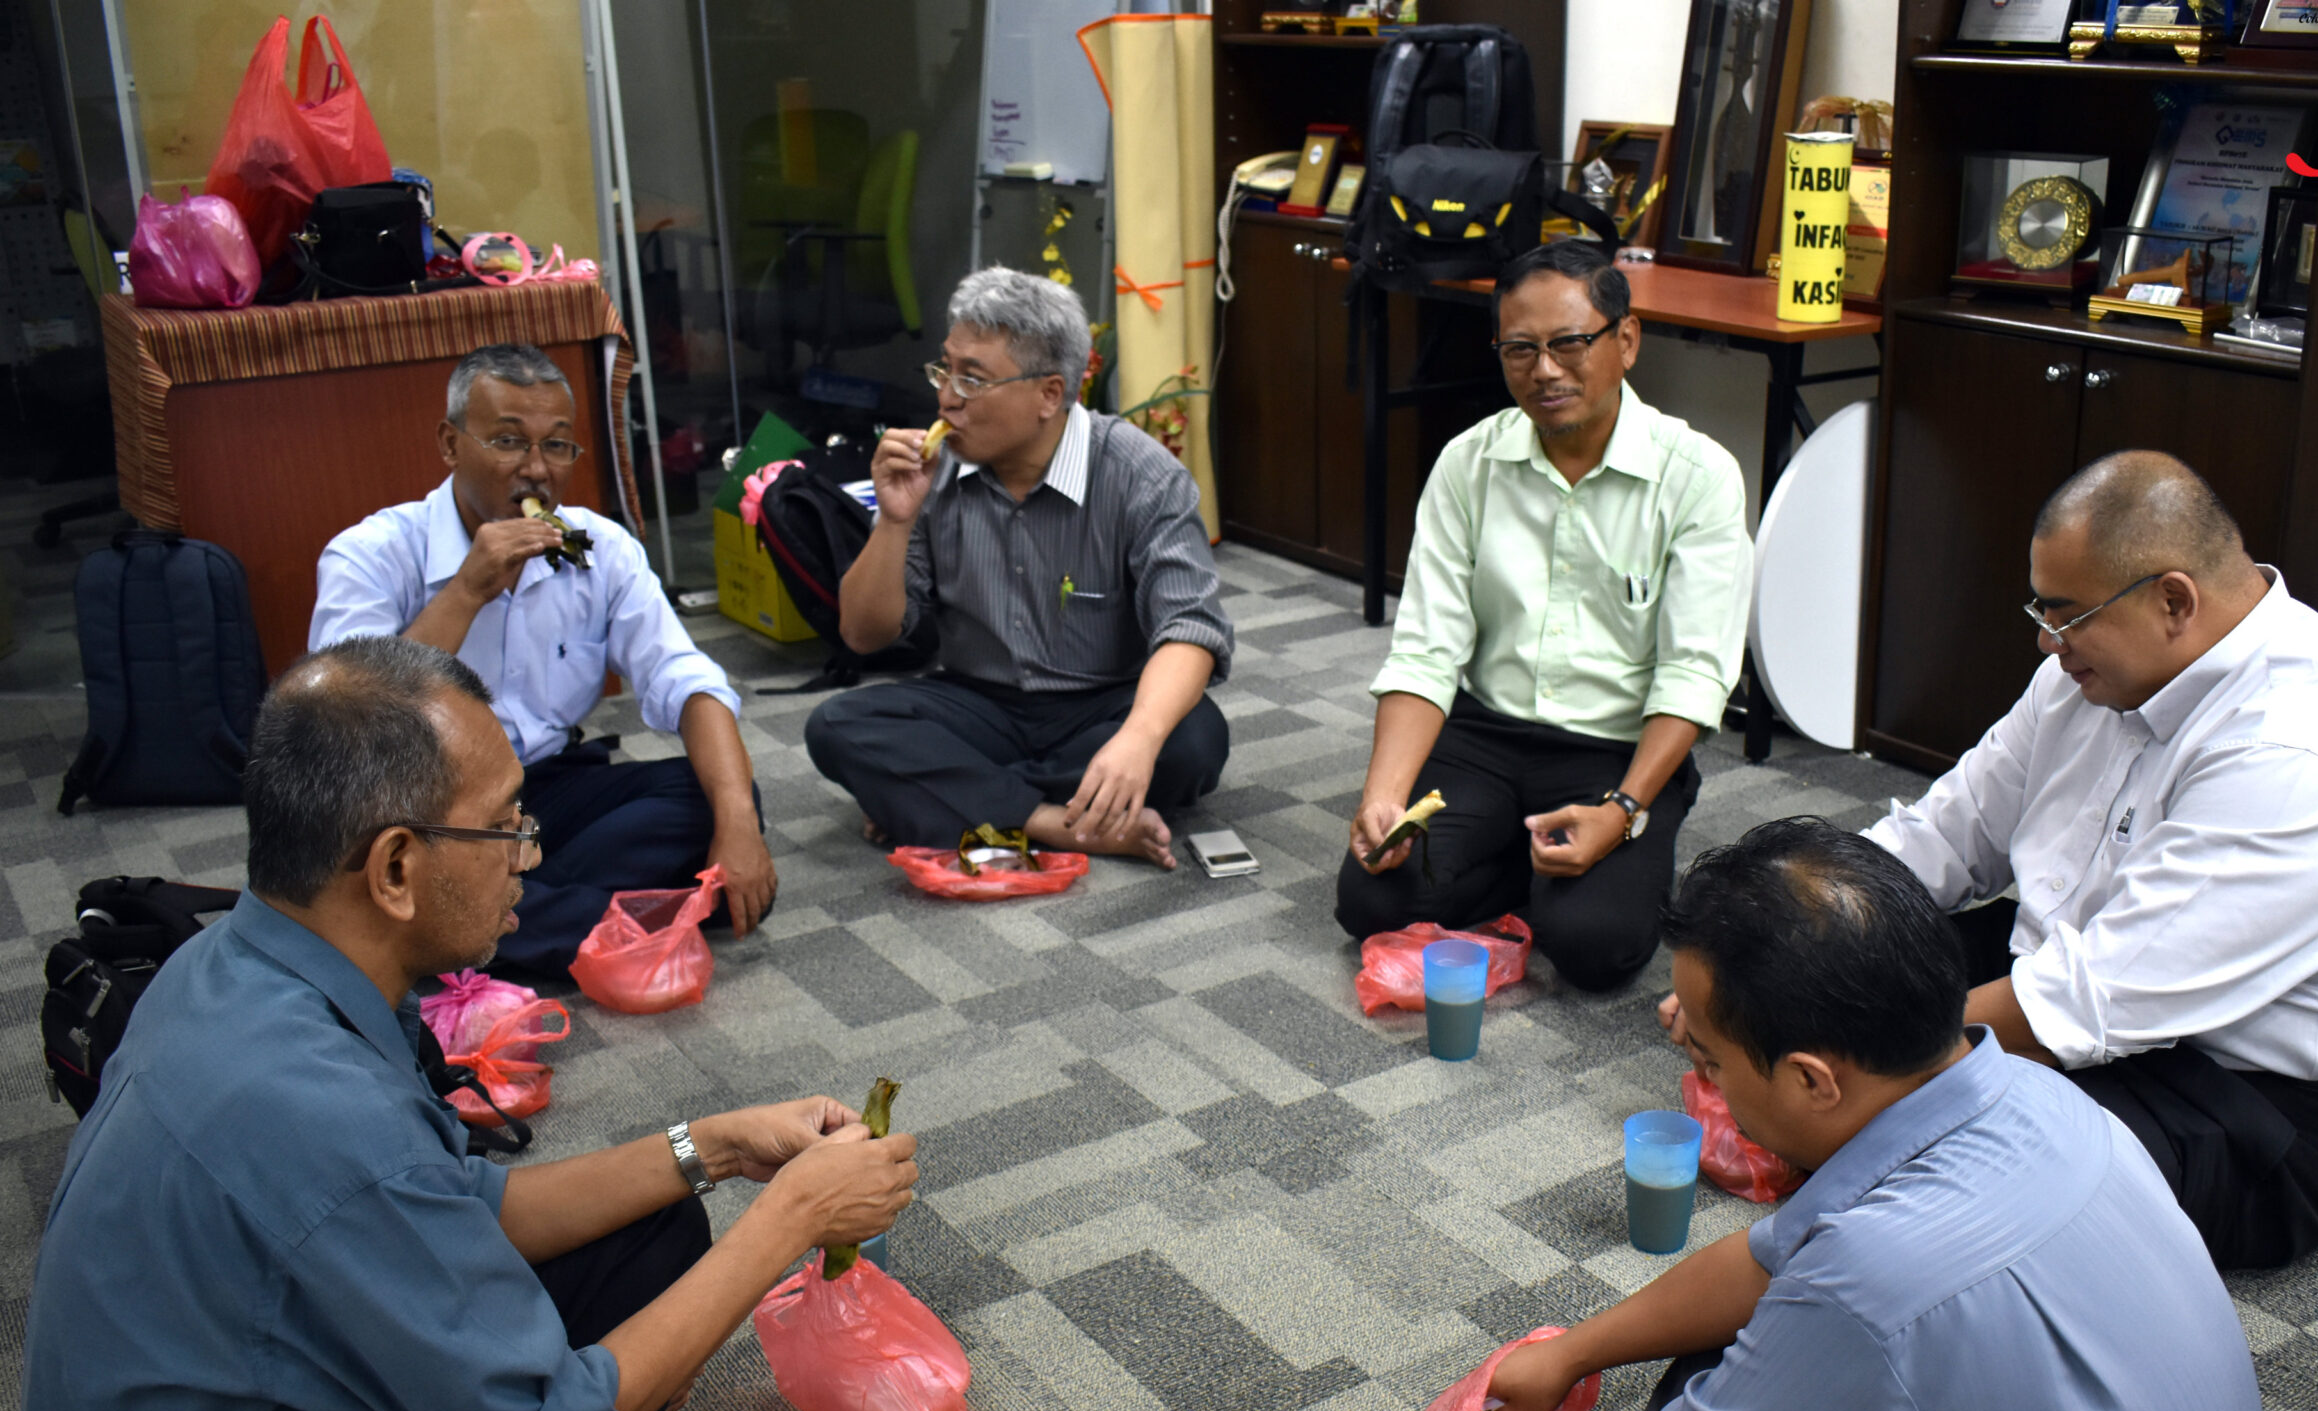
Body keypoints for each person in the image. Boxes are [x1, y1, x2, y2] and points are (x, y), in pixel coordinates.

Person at [19, 636, 919, 1411]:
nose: (528, 856)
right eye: (505, 827)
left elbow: (457, 1204)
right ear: (396, 869)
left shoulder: (243, 963)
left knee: (654, 1221)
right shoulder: (312, 1111)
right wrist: (788, 1220)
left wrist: (714, 1147)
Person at [1385, 818, 2266, 1411]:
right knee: (1723, 1359)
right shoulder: (2031, 1097)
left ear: (1812, 1079)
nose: (1706, 1082)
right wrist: (1574, 1352)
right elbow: (1766, 1265)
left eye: (1709, 1060)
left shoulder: (1878, 1284)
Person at [1861, 449, 2318, 1270]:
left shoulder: (2304, 753)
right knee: (1842, 970)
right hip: (2083, 967)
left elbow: (2089, 998)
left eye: (2066, 616)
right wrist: (1779, 943)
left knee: (1933, 1171)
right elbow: (1945, 834)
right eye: (2042, 609)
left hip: (2250, 1105)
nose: (2046, 641)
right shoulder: (2088, 670)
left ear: (2174, 600)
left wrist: (1873, 1056)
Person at [1334, 240, 1752, 992]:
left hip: (1614, 749)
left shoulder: (1698, 476)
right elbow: (1426, 649)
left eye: (1569, 343)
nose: (1546, 370)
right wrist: (1383, 798)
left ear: (1626, 340)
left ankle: (1605, 847)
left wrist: (1623, 810)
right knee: (1372, 900)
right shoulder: (1468, 463)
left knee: (1597, 945)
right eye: (1520, 349)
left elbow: (1695, 672)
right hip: (1485, 735)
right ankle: (1521, 862)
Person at [312, 343, 778, 978]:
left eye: (556, 445)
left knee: (719, 793)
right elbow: (343, 730)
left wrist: (738, 821)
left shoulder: (599, 546)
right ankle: (598, 919)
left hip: (545, 792)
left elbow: (684, 676)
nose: (535, 469)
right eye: (508, 442)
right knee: (381, 860)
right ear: (451, 444)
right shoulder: (370, 555)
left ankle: (494, 921)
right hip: (428, 808)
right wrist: (466, 591)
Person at [803, 266, 1234, 869]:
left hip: (1103, 702)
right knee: (837, 724)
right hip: (978, 701)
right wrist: (895, 521)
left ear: (1049, 395)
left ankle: (952, 799)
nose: (947, 397)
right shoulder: (933, 472)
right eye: (945, 371)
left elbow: (1190, 628)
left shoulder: (1140, 473)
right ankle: (1055, 822)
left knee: (1193, 741)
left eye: (972, 379)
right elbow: (862, 636)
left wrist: (1138, 738)